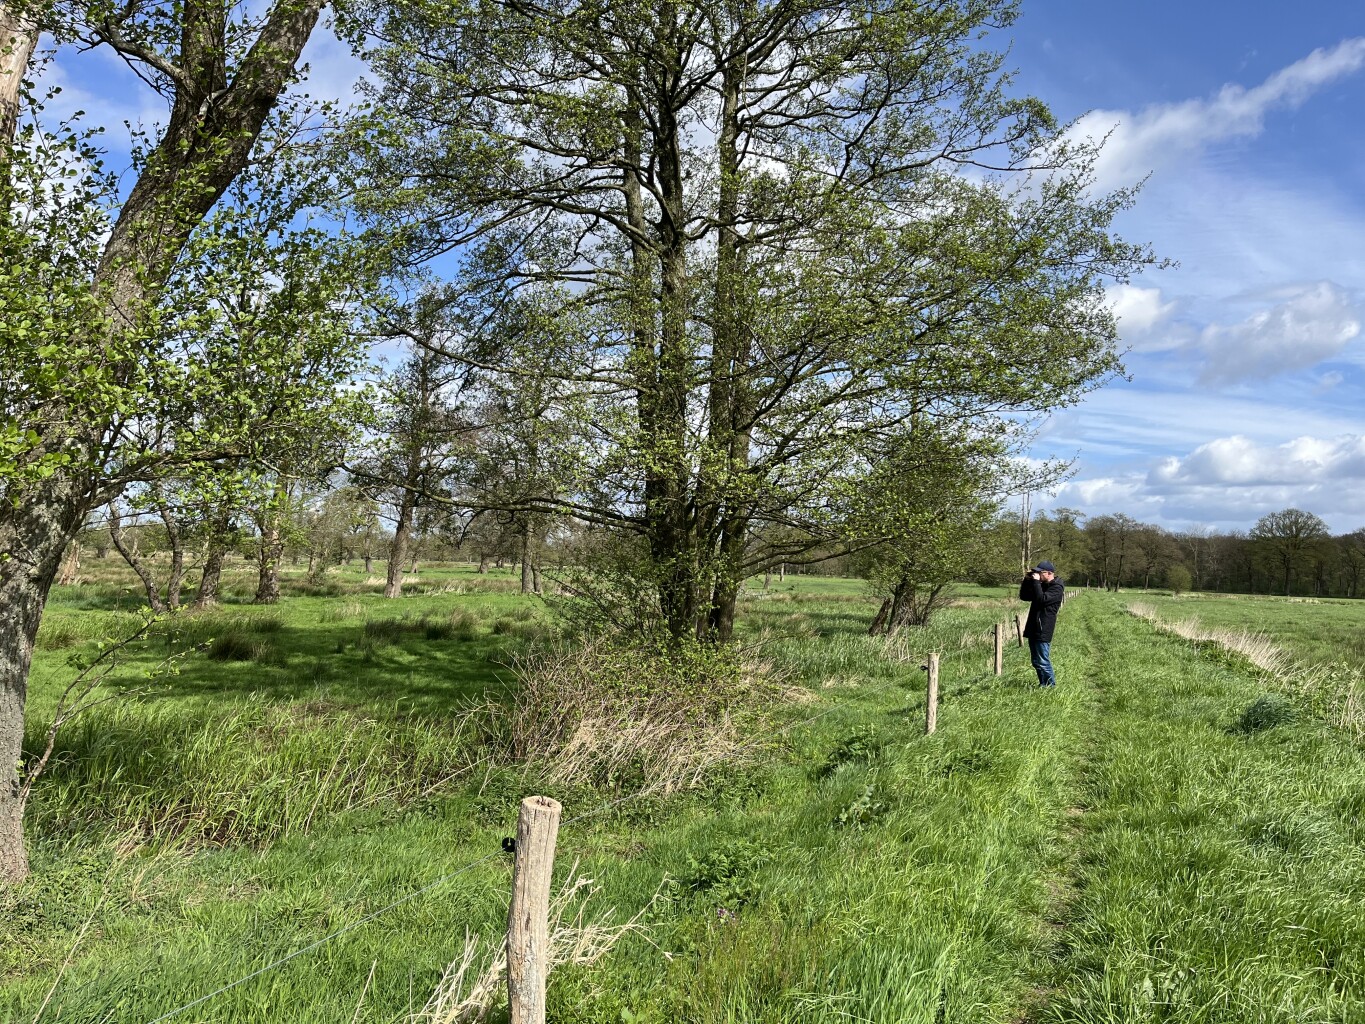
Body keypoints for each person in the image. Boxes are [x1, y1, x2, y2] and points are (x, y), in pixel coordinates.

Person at [1019, 560, 1064, 688]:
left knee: (1043, 660)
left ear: (1049, 573)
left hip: (1043, 628)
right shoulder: (1042, 585)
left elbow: (1041, 599)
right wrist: (1027, 580)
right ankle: (1043, 684)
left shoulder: (1056, 588)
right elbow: (1024, 596)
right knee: (1036, 661)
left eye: (1040, 572)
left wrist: (1036, 582)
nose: (1037, 574)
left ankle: (1050, 686)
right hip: (1034, 627)